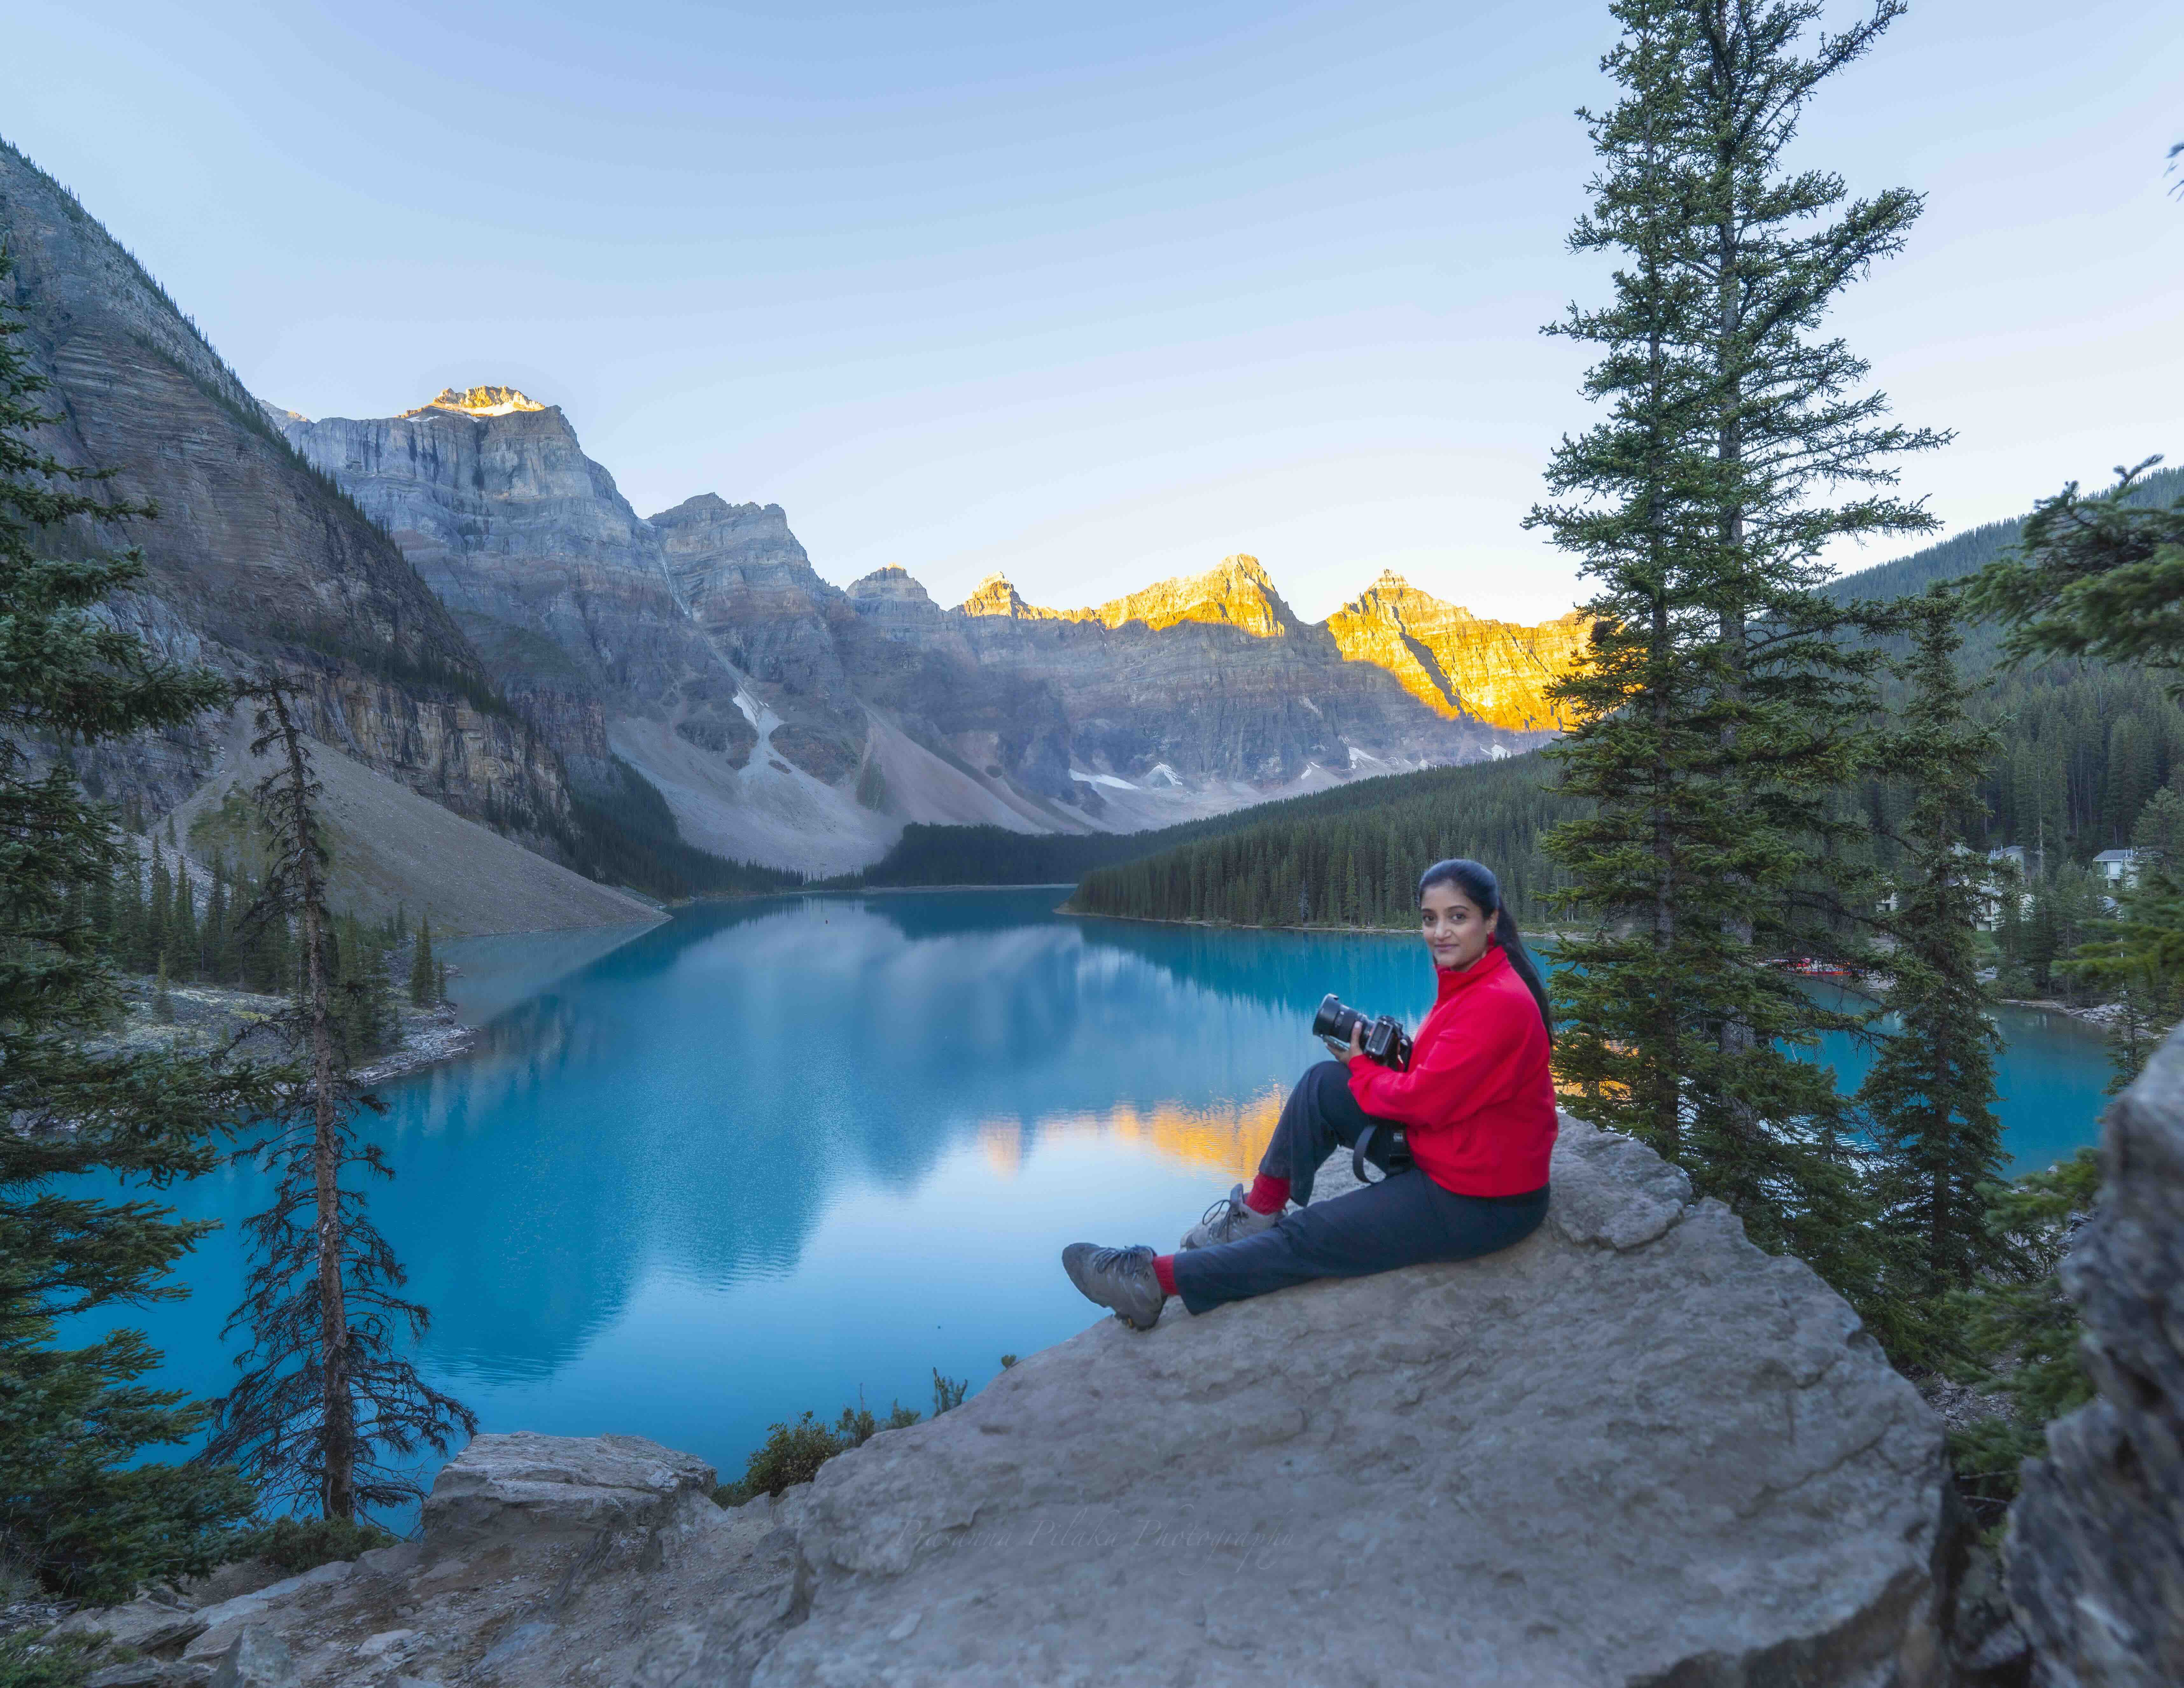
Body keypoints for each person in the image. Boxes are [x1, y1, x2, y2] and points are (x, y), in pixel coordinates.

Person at [1060, 857, 1556, 1330]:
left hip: (1482, 1200)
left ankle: (1153, 1282)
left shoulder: (1496, 1003)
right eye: (1430, 919)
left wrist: (1363, 1066)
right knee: (1324, 1084)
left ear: (1490, 922)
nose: (1440, 933)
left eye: (1457, 917)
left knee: (1311, 1235)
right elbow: (1445, 1083)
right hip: (1455, 1150)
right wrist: (1383, 1065)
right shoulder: (1471, 981)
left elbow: (1421, 1104)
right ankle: (1259, 1212)